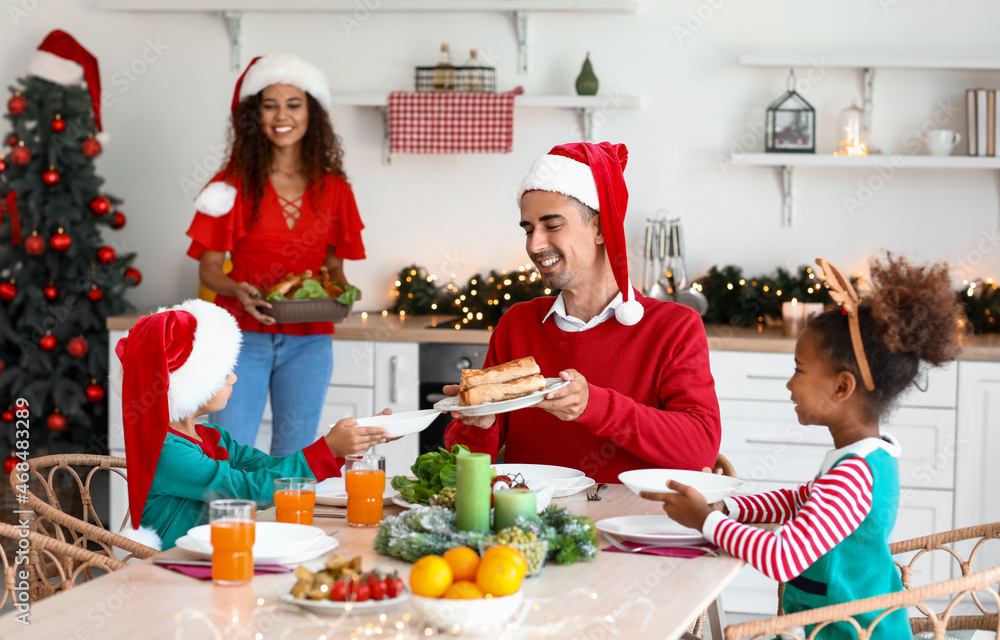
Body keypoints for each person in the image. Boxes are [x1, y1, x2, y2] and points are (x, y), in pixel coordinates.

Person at [643, 254, 963, 640]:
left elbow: (783, 557)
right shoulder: (867, 457)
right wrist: (728, 506)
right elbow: (803, 499)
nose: (789, 385)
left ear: (842, 387)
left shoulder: (853, 473)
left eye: (799, 370)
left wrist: (704, 520)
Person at [445, 142, 721, 483]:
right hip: (530, 527)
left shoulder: (673, 326)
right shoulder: (518, 324)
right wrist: (478, 425)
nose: (534, 245)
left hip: (632, 527)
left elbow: (699, 448)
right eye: (529, 229)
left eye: (552, 225)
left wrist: (595, 406)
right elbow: (464, 467)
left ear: (602, 229)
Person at [186, 54, 365, 456]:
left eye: (293, 104)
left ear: (311, 113)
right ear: (255, 114)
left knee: (296, 459)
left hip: (310, 341)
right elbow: (210, 266)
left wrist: (344, 294)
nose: (281, 115)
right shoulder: (229, 185)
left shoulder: (335, 189)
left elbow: (334, 267)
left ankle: (286, 523)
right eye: (270, 105)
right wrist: (239, 289)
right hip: (239, 338)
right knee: (230, 456)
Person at [110, 299, 390, 550]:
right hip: (172, 567)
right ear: (187, 387)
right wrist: (328, 449)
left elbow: (268, 469)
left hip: (219, 553)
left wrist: (347, 442)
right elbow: (246, 490)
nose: (233, 378)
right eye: (221, 374)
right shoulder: (166, 451)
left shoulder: (213, 436)